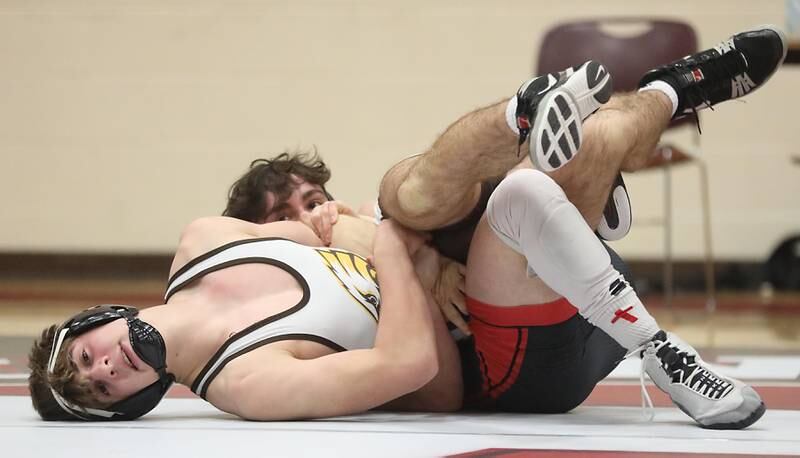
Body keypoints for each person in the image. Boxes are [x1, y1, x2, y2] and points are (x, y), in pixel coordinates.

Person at [28, 25, 785, 428]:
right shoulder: (247, 382)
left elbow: (341, 224)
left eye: (84, 357)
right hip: (496, 364)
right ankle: (655, 341)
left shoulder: (204, 241)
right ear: (133, 401)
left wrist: (384, 239)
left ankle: (647, 95)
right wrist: (401, 256)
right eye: (98, 389)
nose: (104, 368)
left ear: (96, 322)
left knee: (415, 189)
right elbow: (423, 373)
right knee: (467, 200)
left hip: (499, 274)